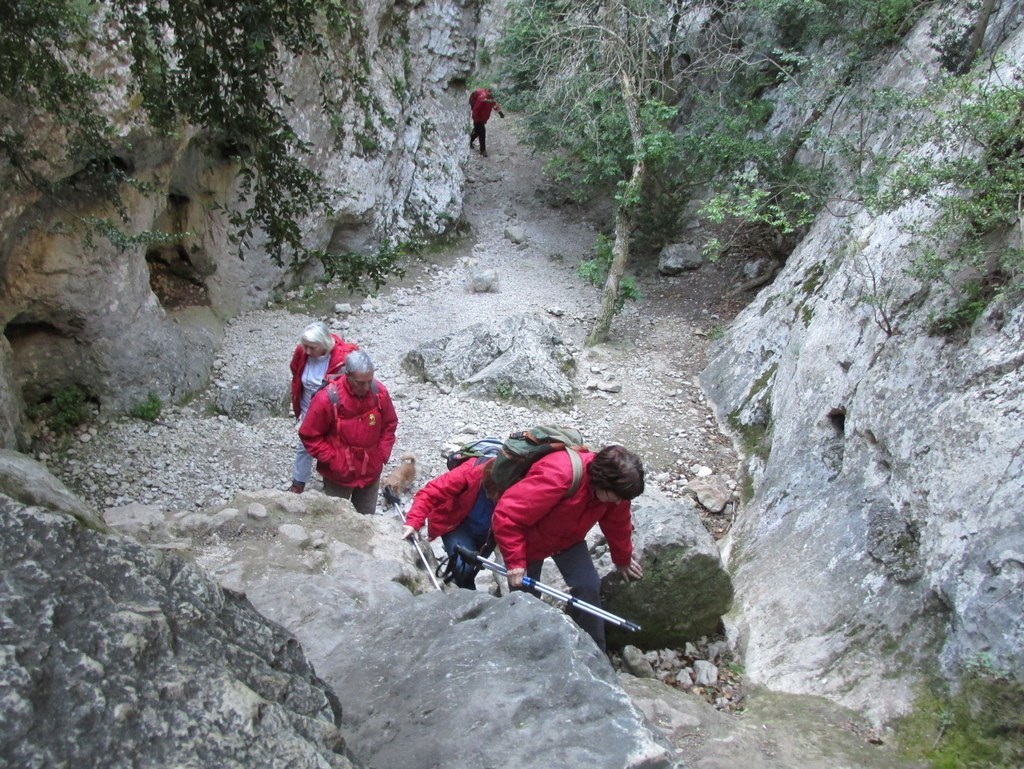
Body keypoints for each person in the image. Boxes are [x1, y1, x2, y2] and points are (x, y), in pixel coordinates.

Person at [491, 444, 645, 651]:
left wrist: (622, 558)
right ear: (600, 482)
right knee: (525, 598)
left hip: (568, 540)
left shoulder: (616, 492)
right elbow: (507, 515)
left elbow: (618, 525)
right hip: (528, 543)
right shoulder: (559, 475)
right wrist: (515, 562)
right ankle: (524, 650)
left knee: (588, 586)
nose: (618, 502)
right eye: (614, 496)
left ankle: (595, 652)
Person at [298, 349, 398, 515]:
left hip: (370, 471)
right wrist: (332, 458)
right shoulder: (327, 399)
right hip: (339, 474)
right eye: (360, 382)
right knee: (337, 519)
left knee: (366, 521)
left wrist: (381, 454)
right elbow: (309, 435)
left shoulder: (379, 392)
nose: (366, 387)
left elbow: (390, 424)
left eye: (369, 381)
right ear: (348, 375)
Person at [401, 457, 501, 589]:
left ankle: (463, 586)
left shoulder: (518, 481)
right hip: (458, 526)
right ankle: (464, 591)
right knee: (463, 567)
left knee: (472, 568)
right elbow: (430, 493)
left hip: (488, 536)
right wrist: (414, 521)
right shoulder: (469, 472)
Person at [288, 321, 358, 493]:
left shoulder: (344, 358)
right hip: (308, 407)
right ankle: (299, 481)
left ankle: (332, 481)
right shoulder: (302, 352)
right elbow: (295, 370)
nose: (307, 351)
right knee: (305, 443)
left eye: (311, 347)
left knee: (334, 443)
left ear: (323, 345)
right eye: (305, 346)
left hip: (332, 410)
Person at [468, 87, 504, 158]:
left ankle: (469, 141)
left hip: (483, 118)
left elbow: (494, 105)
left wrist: (500, 113)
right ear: (490, 92)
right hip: (478, 118)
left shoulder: (491, 98)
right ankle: (483, 150)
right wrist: (475, 119)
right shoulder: (482, 98)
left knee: (477, 131)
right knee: (482, 132)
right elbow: (476, 109)